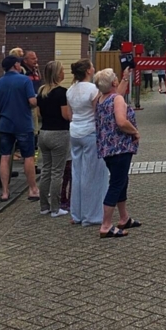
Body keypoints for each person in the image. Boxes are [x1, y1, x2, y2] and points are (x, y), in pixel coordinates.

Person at [94, 68, 140, 238]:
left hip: (106, 148)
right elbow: (121, 122)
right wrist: (135, 131)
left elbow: (116, 96)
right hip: (120, 148)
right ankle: (106, 225)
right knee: (116, 184)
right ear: (113, 83)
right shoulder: (117, 99)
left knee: (121, 181)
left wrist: (125, 78)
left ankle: (124, 218)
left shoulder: (101, 99)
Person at [67, 59, 109, 226]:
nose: (94, 67)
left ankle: (76, 214)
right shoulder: (93, 89)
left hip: (75, 132)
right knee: (92, 174)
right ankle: (92, 215)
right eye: (92, 66)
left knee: (77, 173)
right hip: (90, 132)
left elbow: (70, 114)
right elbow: (97, 114)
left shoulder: (70, 90)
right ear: (88, 71)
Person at [0, 55, 40, 202]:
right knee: (28, 156)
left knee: (5, 157)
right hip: (23, 124)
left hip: (5, 124)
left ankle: (5, 192)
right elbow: (32, 101)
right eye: (19, 64)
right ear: (15, 65)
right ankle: (32, 189)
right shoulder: (24, 80)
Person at [36, 60, 71, 217]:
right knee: (58, 172)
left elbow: (39, 114)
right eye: (62, 70)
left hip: (43, 134)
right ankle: (56, 208)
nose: (64, 73)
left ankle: (44, 206)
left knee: (46, 170)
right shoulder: (62, 92)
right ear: (58, 74)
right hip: (59, 134)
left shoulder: (41, 91)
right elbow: (65, 115)